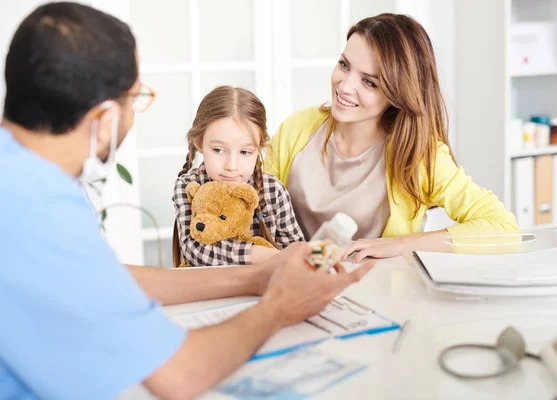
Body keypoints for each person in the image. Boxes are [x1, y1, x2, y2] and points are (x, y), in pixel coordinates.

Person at [0, 3, 374, 399]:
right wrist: (279, 307)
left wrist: (255, 277)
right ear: (106, 118)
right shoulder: (41, 211)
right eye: (135, 97)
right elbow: (179, 375)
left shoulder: (21, 181)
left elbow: (102, 278)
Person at [265, 13, 518, 263]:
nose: (344, 86)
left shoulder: (418, 155)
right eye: (344, 65)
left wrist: (401, 244)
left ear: (398, 93)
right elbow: (251, 211)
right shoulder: (298, 129)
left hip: (381, 294)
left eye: (369, 82)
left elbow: (503, 229)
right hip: (291, 284)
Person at [172, 86, 304, 267]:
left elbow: (296, 250)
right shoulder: (189, 185)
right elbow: (193, 250)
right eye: (218, 150)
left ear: (259, 148)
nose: (231, 166)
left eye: (245, 152)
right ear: (199, 143)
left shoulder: (273, 190)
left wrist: (328, 253)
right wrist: (257, 253)